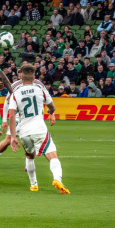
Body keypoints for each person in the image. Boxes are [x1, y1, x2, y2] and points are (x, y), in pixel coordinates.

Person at [9, 65, 70, 194]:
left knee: (29, 156)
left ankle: (34, 185)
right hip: (39, 129)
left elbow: (12, 115)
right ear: (34, 77)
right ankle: (57, 179)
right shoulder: (39, 89)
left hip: (24, 131)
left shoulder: (15, 93)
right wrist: (51, 112)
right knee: (53, 156)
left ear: (21, 77)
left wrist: (13, 137)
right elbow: (51, 106)